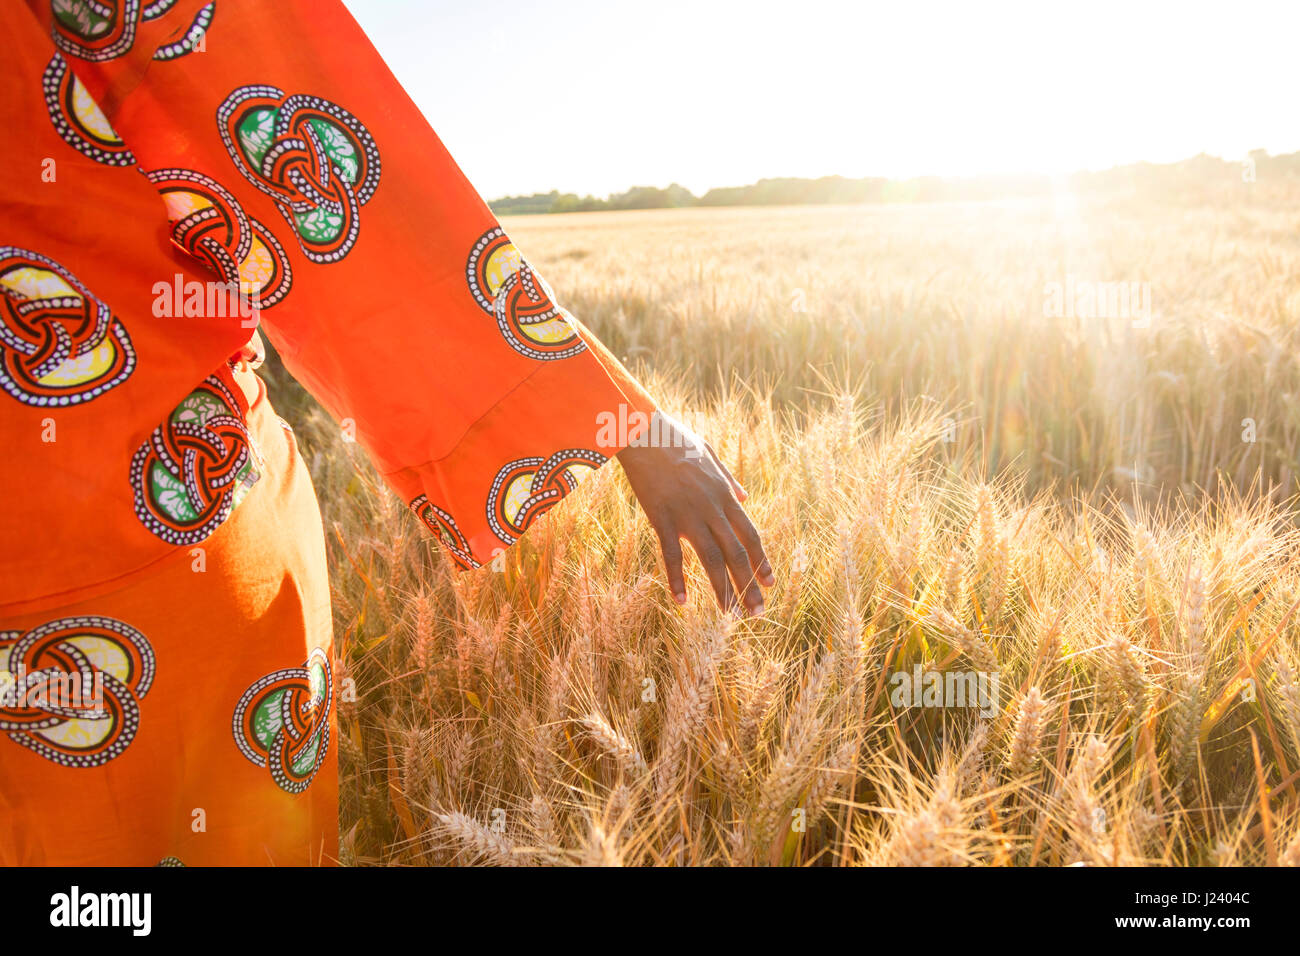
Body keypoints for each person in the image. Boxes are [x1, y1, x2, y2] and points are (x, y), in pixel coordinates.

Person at [0, 0, 772, 865]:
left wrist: (617, 412)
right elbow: (323, 178)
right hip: (165, 553)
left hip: (156, 550)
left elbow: (312, 163)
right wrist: (618, 413)